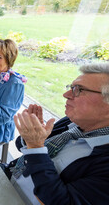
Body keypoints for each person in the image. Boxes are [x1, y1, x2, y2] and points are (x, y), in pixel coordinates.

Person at [11, 63, 109, 205]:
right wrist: (32, 136)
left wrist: (36, 147)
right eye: (71, 87)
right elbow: (22, 147)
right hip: (8, 180)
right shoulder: (72, 122)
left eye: (79, 90)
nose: (66, 95)